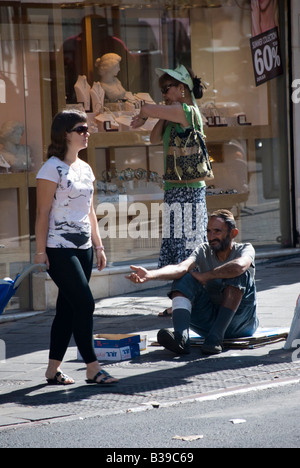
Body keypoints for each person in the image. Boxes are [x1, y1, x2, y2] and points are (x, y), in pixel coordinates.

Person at [34, 109, 118, 385]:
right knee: (85, 303)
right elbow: (42, 212)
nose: (87, 133)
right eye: (81, 129)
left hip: (84, 247)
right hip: (58, 247)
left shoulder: (85, 168)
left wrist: (99, 245)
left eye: (87, 129)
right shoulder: (51, 168)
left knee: (67, 309)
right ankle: (93, 367)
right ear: (65, 134)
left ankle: (52, 369)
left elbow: (90, 211)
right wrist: (40, 252)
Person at [131, 64, 208, 317]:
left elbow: (147, 109)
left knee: (189, 247)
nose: (163, 92)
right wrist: (161, 114)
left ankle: (194, 302)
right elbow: (153, 138)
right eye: (162, 89)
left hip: (189, 191)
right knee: (177, 248)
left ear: (182, 89)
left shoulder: (188, 111)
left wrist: (147, 112)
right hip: (175, 189)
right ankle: (181, 303)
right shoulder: (174, 114)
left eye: (167, 88)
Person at [126, 209, 258, 355]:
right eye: (208, 231)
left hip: (240, 324)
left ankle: (216, 338)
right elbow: (180, 267)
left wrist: (206, 276)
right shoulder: (203, 250)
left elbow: (239, 266)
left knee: (239, 273)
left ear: (233, 233)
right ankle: (181, 339)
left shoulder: (245, 248)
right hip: (208, 322)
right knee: (184, 278)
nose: (211, 236)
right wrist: (150, 275)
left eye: (217, 231)